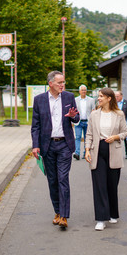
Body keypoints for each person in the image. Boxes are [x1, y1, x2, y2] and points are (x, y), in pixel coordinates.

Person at [31, 71, 79, 229]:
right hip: (47, 146)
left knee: (63, 179)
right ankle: (57, 212)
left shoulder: (69, 97)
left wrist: (73, 116)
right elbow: (35, 125)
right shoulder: (39, 100)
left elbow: (77, 118)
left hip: (65, 144)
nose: (62, 85)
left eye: (63, 82)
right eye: (59, 82)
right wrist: (35, 145)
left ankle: (64, 216)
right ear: (50, 83)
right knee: (52, 181)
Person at [85, 88, 127, 231]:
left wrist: (115, 137)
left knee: (111, 184)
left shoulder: (119, 114)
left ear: (109, 98)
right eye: (99, 96)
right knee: (99, 185)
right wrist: (86, 150)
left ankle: (113, 213)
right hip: (97, 151)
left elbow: (125, 132)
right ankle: (101, 219)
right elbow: (89, 134)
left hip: (113, 150)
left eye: (101, 96)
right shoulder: (94, 115)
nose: (99, 99)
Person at [73, 85, 95, 160]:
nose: (83, 91)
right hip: (78, 122)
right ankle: (77, 153)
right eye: (82, 90)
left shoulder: (91, 100)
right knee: (78, 137)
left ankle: (86, 152)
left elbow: (94, 110)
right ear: (79, 91)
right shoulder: (75, 100)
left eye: (85, 90)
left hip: (87, 122)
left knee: (87, 138)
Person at [115, 91, 127, 159]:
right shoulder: (114, 103)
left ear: (121, 96)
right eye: (115, 96)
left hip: (124, 122)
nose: (116, 98)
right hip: (116, 123)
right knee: (116, 138)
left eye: (117, 96)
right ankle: (116, 153)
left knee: (125, 137)